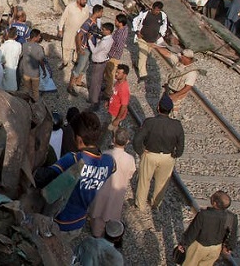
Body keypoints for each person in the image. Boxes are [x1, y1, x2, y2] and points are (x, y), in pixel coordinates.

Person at [33, 111, 115, 242]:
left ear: (79, 139)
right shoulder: (109, 162)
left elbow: (45, 177)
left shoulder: (73, 159)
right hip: (79, 221)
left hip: (60, 221)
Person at [133, 95, 185, 209]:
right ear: (170, 110)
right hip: (167, 157)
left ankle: (140, 205)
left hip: (150, 155)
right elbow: (181, 144)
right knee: (161, 184)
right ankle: (155, 204)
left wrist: (141, 152)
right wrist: (177, 154)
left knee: (144, 181)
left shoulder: (149, 122)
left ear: (158, 108)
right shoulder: (177, 125)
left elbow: (137, 140)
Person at [88, 128, 136, 237]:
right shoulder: (130, 159)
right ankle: (111, 232)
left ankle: (96, 232)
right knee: (113, 210)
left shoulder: (105, 154)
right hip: (118, 190)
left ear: (113, 140)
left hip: (103, 188)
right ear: (127, 141)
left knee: (98, 211)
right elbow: (130, 175)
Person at [178, 191, 238, 266]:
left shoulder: (203, 215)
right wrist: (229, 247)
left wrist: (184, 243)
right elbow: (233, 235)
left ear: (215, 203)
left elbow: (193, 231)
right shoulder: (232, 217)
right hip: (216, 249)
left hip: (199, 246)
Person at [68, 4, 103, 96]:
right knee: (79, 67)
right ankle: (70, 86)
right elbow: (79, 35)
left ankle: (78, 81)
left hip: (90, 48)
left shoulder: (95, 22)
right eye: (102, 12)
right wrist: (79, 48)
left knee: (85, 66)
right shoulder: (88, 23)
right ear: (98, 12)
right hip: (85, 48)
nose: (102, 13)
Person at [152, 46, 200, 110]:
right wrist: (155, 46)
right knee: (161, 108)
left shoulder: (192, 72)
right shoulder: (179, 61)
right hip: (169, 89)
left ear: (185, 58)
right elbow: (167, 53)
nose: (180, 57)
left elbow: (188, 87)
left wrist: (175, 96)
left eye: (181, 57)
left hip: (176, 94)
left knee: (171, 111)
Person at [132, 1, 168, 81]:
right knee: (143, 56)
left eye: (158, 10)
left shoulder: (163, 15)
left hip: (152, 41)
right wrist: (137, 31)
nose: (157, 12)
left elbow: (164, 26)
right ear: (152, 7)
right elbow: (135, 21)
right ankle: (142, 75)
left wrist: (161, 34)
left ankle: (137, 65)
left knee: (146, 55)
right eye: (156, 10)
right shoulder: (144, 14)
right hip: (143, 39)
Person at [58, 0, 90, 70]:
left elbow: (87, 20)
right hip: (69, 31)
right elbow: (63, 18)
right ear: (78, 0)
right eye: (83, 0)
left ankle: (75, 60)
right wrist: (60, 29)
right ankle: (65, 62)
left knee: (77, 46)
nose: (85, 1)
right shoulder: (70, 7)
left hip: (80, 33)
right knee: (66, 47)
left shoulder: (86, 8)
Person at [86, 22, 114, 109]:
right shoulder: (109, 39)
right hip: (101, 62)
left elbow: (94, 51)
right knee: (97, 82)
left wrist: (89, 39)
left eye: (104, 30)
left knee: (95, 84)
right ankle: (93, 99)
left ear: (108, 31)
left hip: (98, 63)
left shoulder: (104, 42)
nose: (102, 31)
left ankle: (95, 103)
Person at [104, 14, 129, 97]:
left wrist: (109, 54)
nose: (115, 22)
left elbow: (117, 47)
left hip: (113, 57)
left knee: (109, 75)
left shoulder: (119, 35)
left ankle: (108, 93)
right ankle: (107, 88)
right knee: (109, 74)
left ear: (120, 23)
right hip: (115, 56)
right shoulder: (124, 28)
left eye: (116, 21)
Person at [19, 29, 46, 102]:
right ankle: (35, 104)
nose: (40, 37)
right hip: (35, 73)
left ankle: (25, 103)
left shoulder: (24, 45)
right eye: (39, 36)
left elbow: (20, 56)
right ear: (35, 37)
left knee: (26, 89)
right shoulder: (39, 48)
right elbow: (41, 61)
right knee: (35, 90)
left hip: (25, 71)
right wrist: (44, 70)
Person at [106, 64, 130, 132]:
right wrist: (108, 102)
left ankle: (115, 141)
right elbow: (114, 93)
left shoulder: (124, 89)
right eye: (116, 72)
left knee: (115, 131)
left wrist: (117, 119)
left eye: (118, 73)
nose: (116, 74)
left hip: (116, 114)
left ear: (125, 75)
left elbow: (124, 105)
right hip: (112, 111)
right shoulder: (118, 82)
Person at [0, 26, 22, 91]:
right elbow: (19, 55)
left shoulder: (3, 46)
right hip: (14, 67)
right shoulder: (18, 45)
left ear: (7, 34)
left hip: (5, 68)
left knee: (4, 87)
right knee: (12, 86)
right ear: (16, 36)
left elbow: (0, 60)